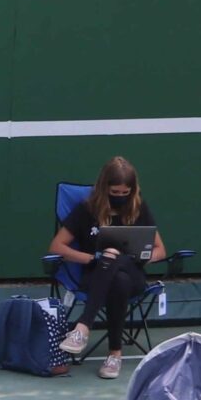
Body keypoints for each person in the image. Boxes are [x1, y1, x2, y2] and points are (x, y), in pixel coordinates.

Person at [49, 156, 169, 380]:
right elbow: (57, 246)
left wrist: (142, 257)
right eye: (115, 193)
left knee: (117, 263)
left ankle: (83, 327)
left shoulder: (138, 208)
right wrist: (92, 258)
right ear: (104, 188)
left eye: (125, 193)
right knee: (117, 279)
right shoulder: (86, 210)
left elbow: (161, 250)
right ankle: (115, 354)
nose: (121, 198)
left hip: (134, 275)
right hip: (95, 275)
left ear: (132, 191)